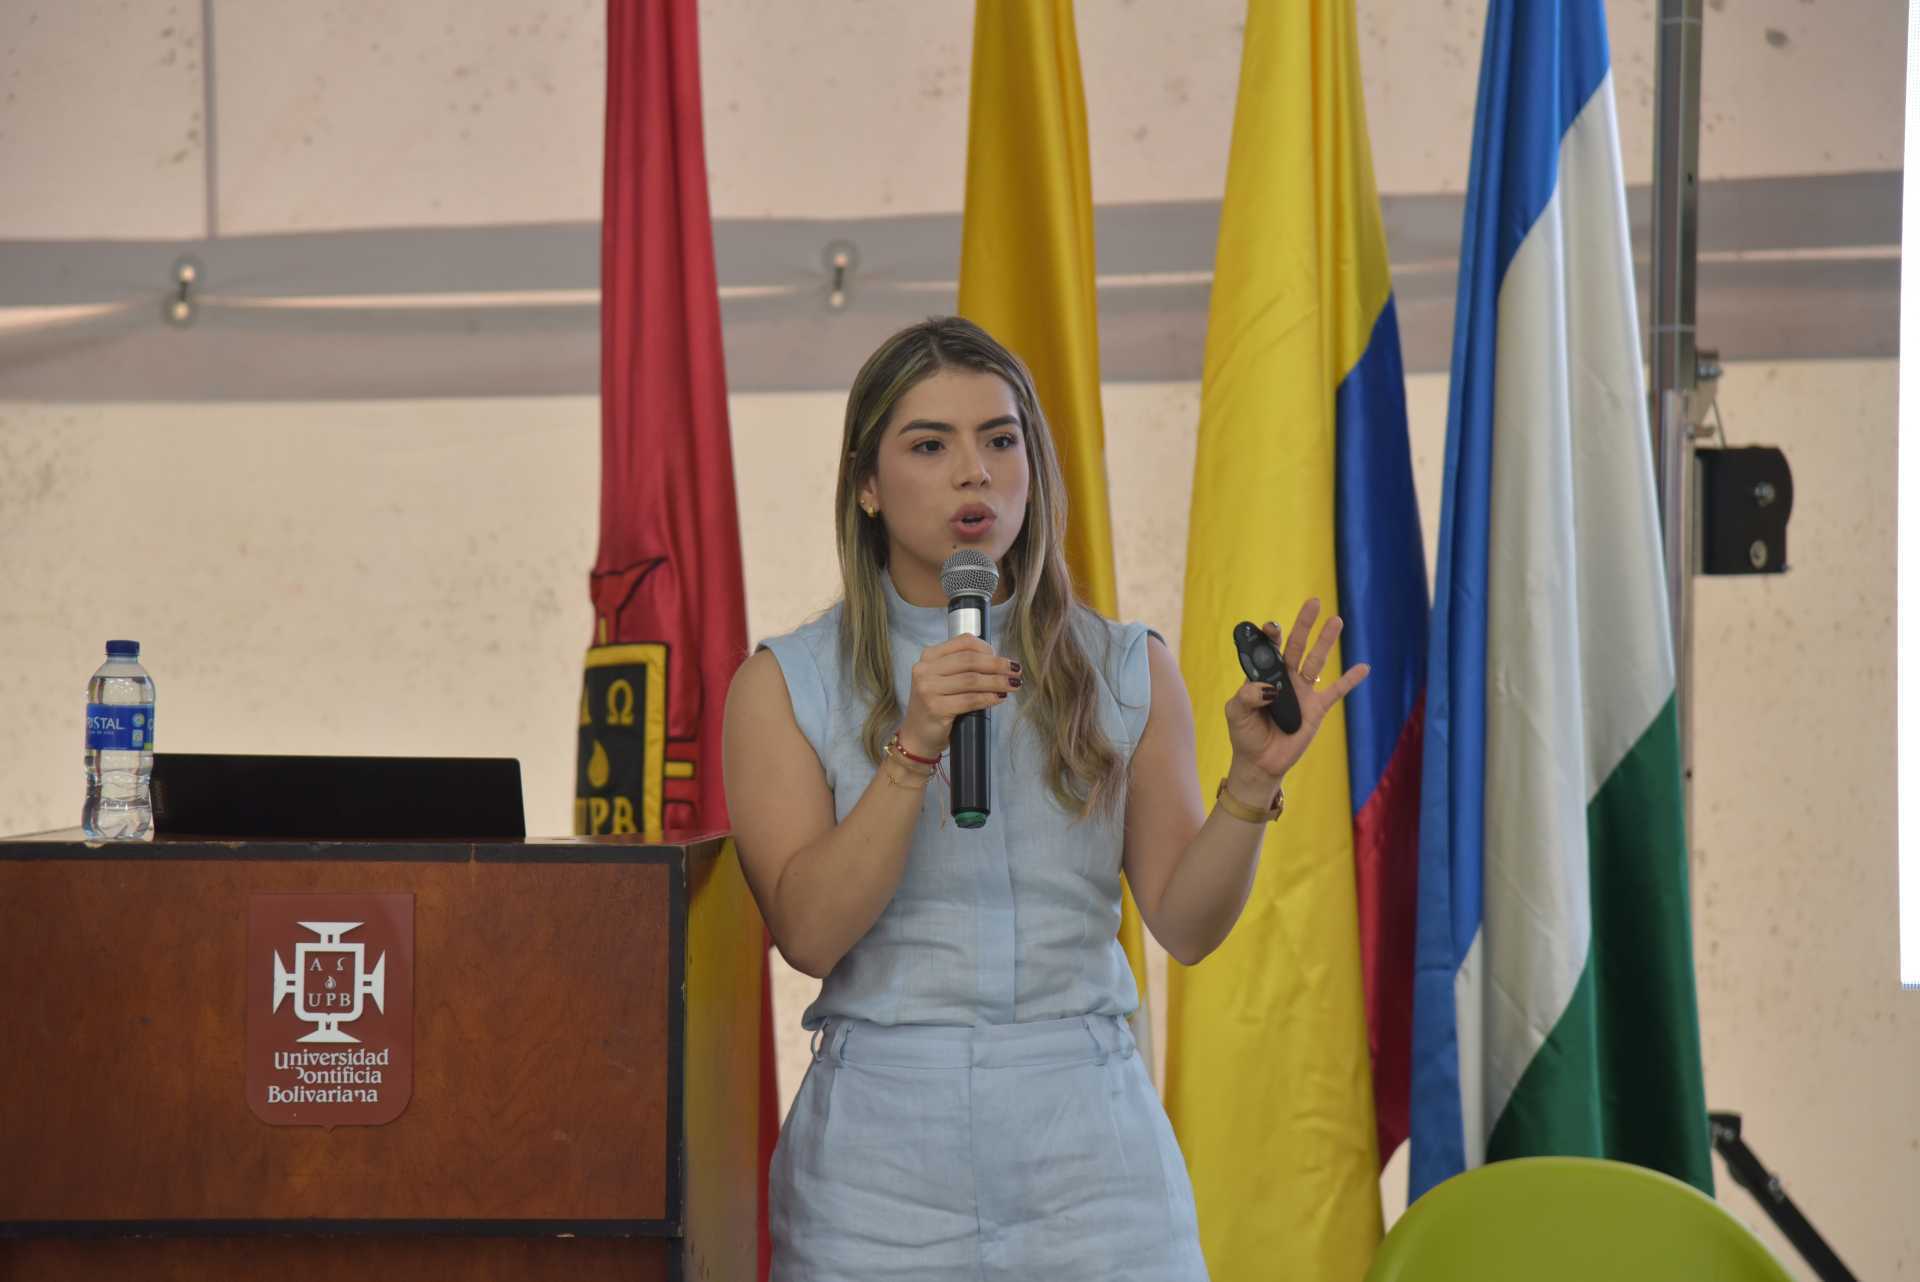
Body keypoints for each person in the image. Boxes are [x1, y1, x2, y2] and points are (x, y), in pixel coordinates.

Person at [722, 316, 1368, 1282]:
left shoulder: (1123, 664)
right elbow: (809, 935)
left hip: (1088, 1145)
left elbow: (1186, 927)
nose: (972, 473)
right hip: (880, 1155)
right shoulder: (787, 683)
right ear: (866, 483)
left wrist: (1250, 785)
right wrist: (912, 753)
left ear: (1036, 466)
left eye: (999, 438)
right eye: (928, 445)